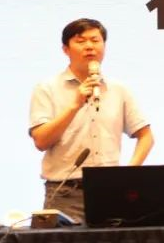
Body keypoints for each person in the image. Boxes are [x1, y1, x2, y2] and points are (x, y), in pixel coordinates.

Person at [28, 18, 154, 222]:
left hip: (111, 191)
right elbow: (41, 141)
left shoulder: (118, 89)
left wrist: (130, 173)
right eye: (81, 41)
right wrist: (74, 105)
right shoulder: (47, 88)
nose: (89, 46)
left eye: (95, 40)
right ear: (65, 49)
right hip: (65, 193)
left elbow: (146, 136)